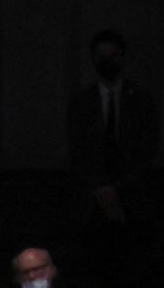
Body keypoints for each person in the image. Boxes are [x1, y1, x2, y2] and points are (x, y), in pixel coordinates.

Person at [67, 28, 158, 234]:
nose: (107, 62)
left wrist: (116, 190)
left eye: (113, 56)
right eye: (101, 57)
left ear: (123, 58)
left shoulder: (141, 100)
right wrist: (101, 189)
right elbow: (77, 150)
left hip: (132, 199)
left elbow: (147, 151)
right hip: (91, 201)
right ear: (93, 59)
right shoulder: (82, 102)